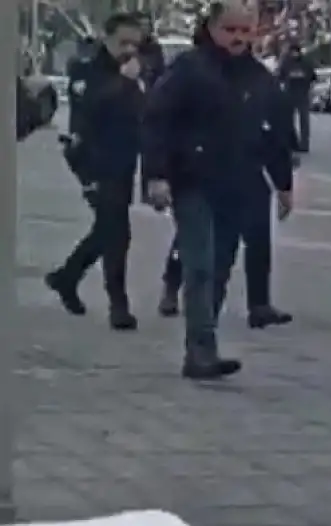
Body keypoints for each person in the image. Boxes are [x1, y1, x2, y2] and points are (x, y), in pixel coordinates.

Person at [140, 1, 296, 380]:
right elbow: (157, 120)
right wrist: (156, 175)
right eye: (230, 29)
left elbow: (275, 133)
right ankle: (201, 349)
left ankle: (202, 349)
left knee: (221, 265)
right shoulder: (189, 69)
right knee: (199, 265)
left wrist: (283, 184)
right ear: (211, 27)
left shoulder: (260, 78)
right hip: (193, 179)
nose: (238, 38)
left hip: (238, 183)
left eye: (246, 30)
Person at [47, 12, 147, 331]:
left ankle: (67, 277)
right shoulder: (87, 69)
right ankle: (118, 305)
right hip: (92, 159)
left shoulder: (138, 69)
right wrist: (126, 82)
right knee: (116, 231)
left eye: (136, 43)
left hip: (123, 161)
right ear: (107, 38)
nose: (129, 49)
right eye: (123, 43)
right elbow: (91, 108)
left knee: (109, 228)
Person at [275, 42, 316, 154]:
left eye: (296, 52)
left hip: (302, 93)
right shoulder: (286, 62)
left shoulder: (306, 62)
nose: (294, 54)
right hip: (290, 94)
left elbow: (313, 76)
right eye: (292, 52)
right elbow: (279, 76)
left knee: (304, 120)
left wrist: (304, 77)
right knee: (289, 120)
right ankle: (292, 142)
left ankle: (304, 144)